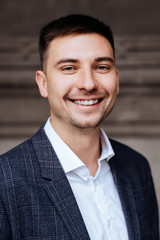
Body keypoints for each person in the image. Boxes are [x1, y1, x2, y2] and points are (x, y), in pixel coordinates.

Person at [0, 14, 159, 240]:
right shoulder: (5, 181)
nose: (88, 83)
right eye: (68, 68)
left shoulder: (137, 168)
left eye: (102, 67)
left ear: (117, 78)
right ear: (43, 83)